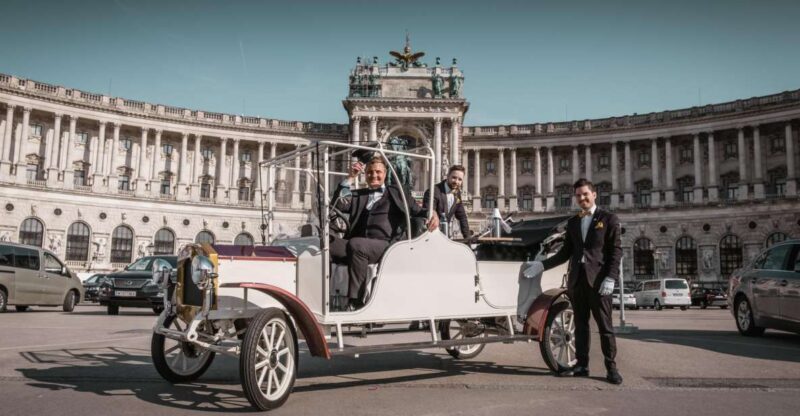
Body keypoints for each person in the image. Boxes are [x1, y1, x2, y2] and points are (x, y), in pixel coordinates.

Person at [533, 178, 623, 384]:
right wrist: (542, 265)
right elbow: (565, 253)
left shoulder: (609, 219)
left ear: (594, 195)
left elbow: (615, 252)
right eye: (578, 195)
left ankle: (611, 368)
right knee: (581, 326)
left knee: (605, 327)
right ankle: (582, 365)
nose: (582, 198)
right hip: (577, 281)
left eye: (585, 194)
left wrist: (610, 278)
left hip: (599, 282)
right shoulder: (573, 222)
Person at [330, 156, 438, 309]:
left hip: (386, 245)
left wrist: (433, 212)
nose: (374, 175)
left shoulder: (397, 192)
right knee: (326, 244)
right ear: (365, 174)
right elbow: (337, 205)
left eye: (378, 172)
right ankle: (325, 296)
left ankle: (356, 302)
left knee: (357, 244)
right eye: (370, 172)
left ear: (385, 174)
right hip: (357, 244)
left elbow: (418, 211)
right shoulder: (359, 195)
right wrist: (350, 177)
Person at [423, 165, 470, 239]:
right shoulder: (434, 190)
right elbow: (429, 207)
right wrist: (433, 214)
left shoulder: (457, 194)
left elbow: (462, 217)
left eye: (460, 179)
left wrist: (467, 238)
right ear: (447, 176)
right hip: (429, 234)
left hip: (444, 235)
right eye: (454, 177)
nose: (456, 181)